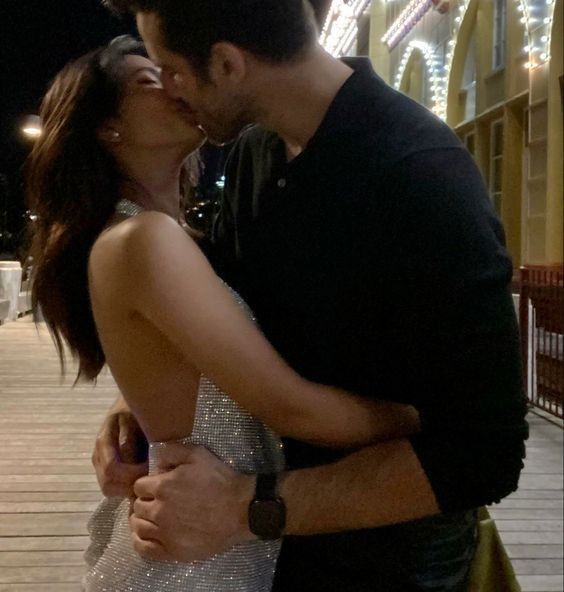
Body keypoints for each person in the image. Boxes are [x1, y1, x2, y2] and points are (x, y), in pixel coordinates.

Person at [94, 0, 529, 592]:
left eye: (175, 70)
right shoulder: (254, 154)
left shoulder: (420, 176)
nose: (170, 88)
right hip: (273, 542)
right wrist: (137, 420)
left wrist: (248, 507)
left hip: (390, 560)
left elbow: (484, 454)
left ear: (230, 62)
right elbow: (240, 325)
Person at [26, 35, 420, 591]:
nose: (174, 85)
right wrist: (429, 420)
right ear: (108, 128)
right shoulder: (142, 238)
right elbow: (289, 407)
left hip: (214, 536)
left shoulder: (177, 235)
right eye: (148, 81)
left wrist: (130, 405)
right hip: (196, 556)